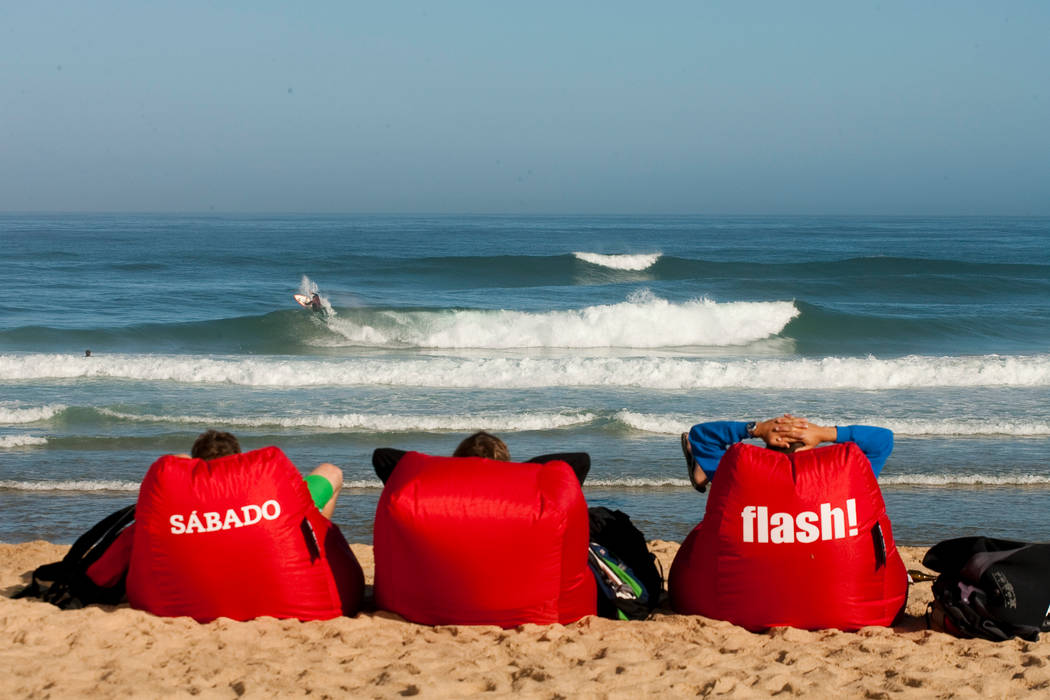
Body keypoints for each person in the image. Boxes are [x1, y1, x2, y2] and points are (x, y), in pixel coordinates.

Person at [680, 414, 893, 493]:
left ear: (768, 450)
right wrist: (825, 433)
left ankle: (704, 470)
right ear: (809, 449)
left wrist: (756, 429)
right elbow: (883, 439)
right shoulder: (842, 481)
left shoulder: (743, 481)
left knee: (725, 481)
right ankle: (704, 471)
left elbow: (699, 435)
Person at [177, 430, 344, 519]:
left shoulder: (182, 503)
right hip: (277, 512)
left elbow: (175, 459)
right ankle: (319, 537)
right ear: (239, 459)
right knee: (330, 471)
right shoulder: (257, 488)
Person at [371, 430, 590, 485]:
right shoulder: (520, 492)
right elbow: (580, 461)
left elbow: (383, 457)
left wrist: (448, 467)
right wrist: (519, 471)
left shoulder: (442, 489)